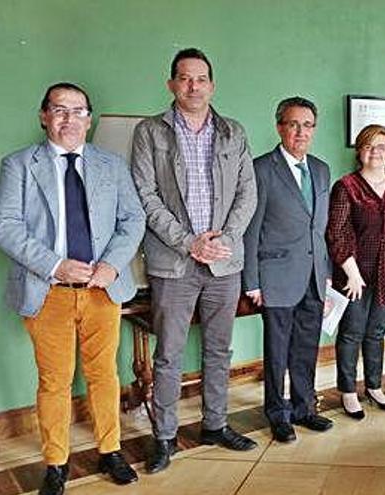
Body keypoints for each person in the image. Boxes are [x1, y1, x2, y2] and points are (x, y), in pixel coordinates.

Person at [0, 82, 145, 494]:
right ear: (43, 115)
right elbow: (3, 224)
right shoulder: (19, 164)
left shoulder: (112, 165)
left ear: (89, 119)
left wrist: (111, 266)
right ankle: (56, 463)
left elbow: (133, 220)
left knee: (103, 375)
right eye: (60, 110)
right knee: (54, 381)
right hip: (48, 291)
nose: (69, 119)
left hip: (102, 290)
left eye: (78, 111)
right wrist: (55, 265)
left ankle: (110, 450)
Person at [131, 48, 259, 475]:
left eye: (201, 78)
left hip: (224, 262)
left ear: (212, 85)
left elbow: (248, 193)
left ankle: (215, 425)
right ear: (171, 84)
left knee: (219, 350)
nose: (193, 86)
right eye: (184, 78)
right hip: (175, 264)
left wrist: (224, 239)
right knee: (168, 354)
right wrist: (190, 243)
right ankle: (164, 438)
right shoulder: (150, 132)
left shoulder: (232, 132)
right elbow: (145, 197)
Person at [243, 96, 334, 443]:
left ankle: (303, 407)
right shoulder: (261, 169)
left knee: (306, 347)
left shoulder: (322, 169)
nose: (301, 131)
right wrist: (251, 280)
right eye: (293, 124)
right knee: (277, 351)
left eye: (307, 125)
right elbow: (251, 229)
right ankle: (277, 413)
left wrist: (325, 275)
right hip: (275, 277)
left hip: (313, 276)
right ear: (280, 127)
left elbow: (319, 230)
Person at [326, 124, 385, 419]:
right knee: (352, 333)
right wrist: (351, 271)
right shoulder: (346, 186)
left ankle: (374, 386)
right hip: (353, 276)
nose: (376, 152)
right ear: (360, 151)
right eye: (369, 146)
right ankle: (348, 391)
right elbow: (336, 233)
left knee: (376, 332)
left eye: (382, 147)